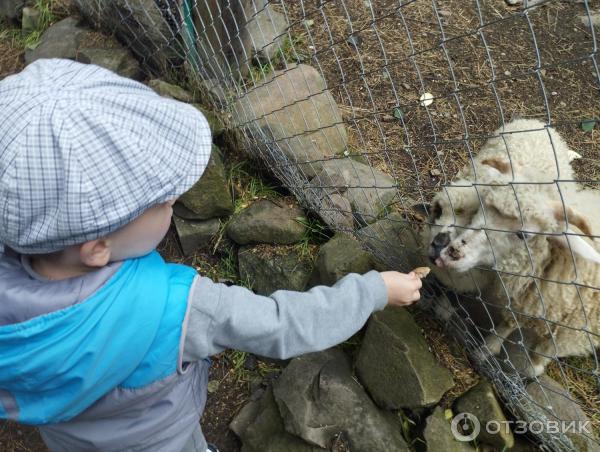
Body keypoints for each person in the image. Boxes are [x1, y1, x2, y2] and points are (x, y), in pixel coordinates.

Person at [0, 59, 422, 452]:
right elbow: (284, 324)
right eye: (162, 199)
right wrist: (374, 290)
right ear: (96, 250)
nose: (176, 199)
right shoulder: (179, 307)